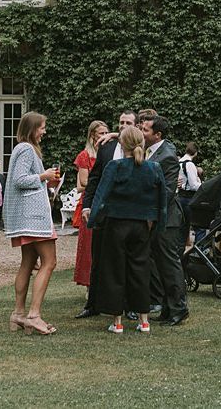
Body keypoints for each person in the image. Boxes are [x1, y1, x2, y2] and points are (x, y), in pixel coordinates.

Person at [89, 125, 167, 334]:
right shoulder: (154, 168)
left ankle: (118, 321)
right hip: (142, 226)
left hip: (116, 225)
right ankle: (144, 320)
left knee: (115, 271)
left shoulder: (115, 167)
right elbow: (162, 201)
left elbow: (101, 196)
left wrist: (92, 220)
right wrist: (159, 223)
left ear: (122, 145)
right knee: (141, 270)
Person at [2, 111, 60, 335]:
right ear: (32, 128)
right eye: (42, 127)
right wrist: (44, 176)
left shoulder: (24, 149)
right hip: (33, 218)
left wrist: (47, 184)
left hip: (26, 217)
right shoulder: (26, 148)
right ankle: (34, 315)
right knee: (50, 262)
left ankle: (18, 313)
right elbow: (19, 180)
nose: (44, 131)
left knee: (27, 262)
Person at [77, 110, 138, 319]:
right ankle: (93, 303)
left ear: (136, 126)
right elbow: (94, 179)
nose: (123, 125)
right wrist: (87, 206)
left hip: (129, 214)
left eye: (128, 122)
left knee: (128, 261)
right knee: (98, 258)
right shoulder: (107, 148)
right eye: (121, 122)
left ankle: (129, 306)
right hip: (105, 211)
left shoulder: (140, 149)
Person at [142, 115, 189, 326]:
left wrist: (151, 216)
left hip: (166, 218)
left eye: (145, 130)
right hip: (157, 218)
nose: (142, 133)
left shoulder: (167, 156)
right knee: (160, 265)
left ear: (157, 135)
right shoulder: (154, 151)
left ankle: (179, 308)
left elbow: (167, 192)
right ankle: (167, 308)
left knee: (170, 264)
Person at [72, 121, 108, 291]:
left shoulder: (109, 153)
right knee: (88, 245)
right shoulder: (85, 155)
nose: (103, 136)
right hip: (90, 202)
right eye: (100, 133)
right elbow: (84, 183)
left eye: (105, 132)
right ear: (92, 135)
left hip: (105, 202)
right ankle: (89, 285)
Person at [178, 142, 202, 246]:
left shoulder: (179, 162)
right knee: (195, 226)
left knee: (182, 227)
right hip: (188, 198)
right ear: (195, 152)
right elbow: (193, 185)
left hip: (180, 196)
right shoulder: (189, 164)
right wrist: (203, 185)